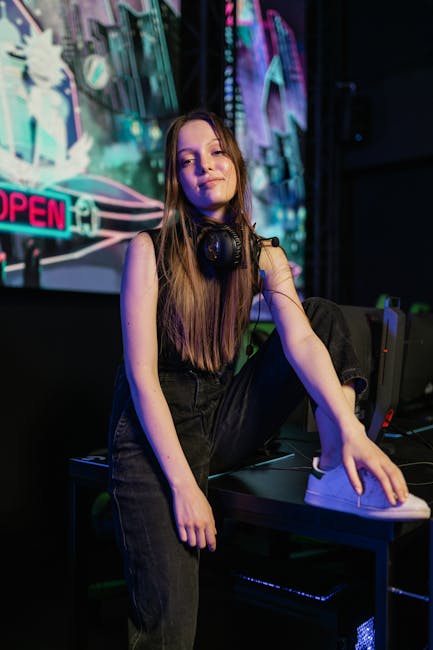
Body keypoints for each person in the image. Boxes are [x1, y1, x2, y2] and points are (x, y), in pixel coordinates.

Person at [107, 109, 430, 649]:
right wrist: (185, 486)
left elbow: (302, 341)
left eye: (214, 153)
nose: (203, 168)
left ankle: (333, 469)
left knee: (320, 317)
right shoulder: (149, 250)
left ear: (234, 162)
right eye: (187, 161)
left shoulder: (264, 256)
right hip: (151, 431)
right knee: (172, 625)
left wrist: (350, 429)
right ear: (176, 180)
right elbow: (142, 378)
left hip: (218, 415)